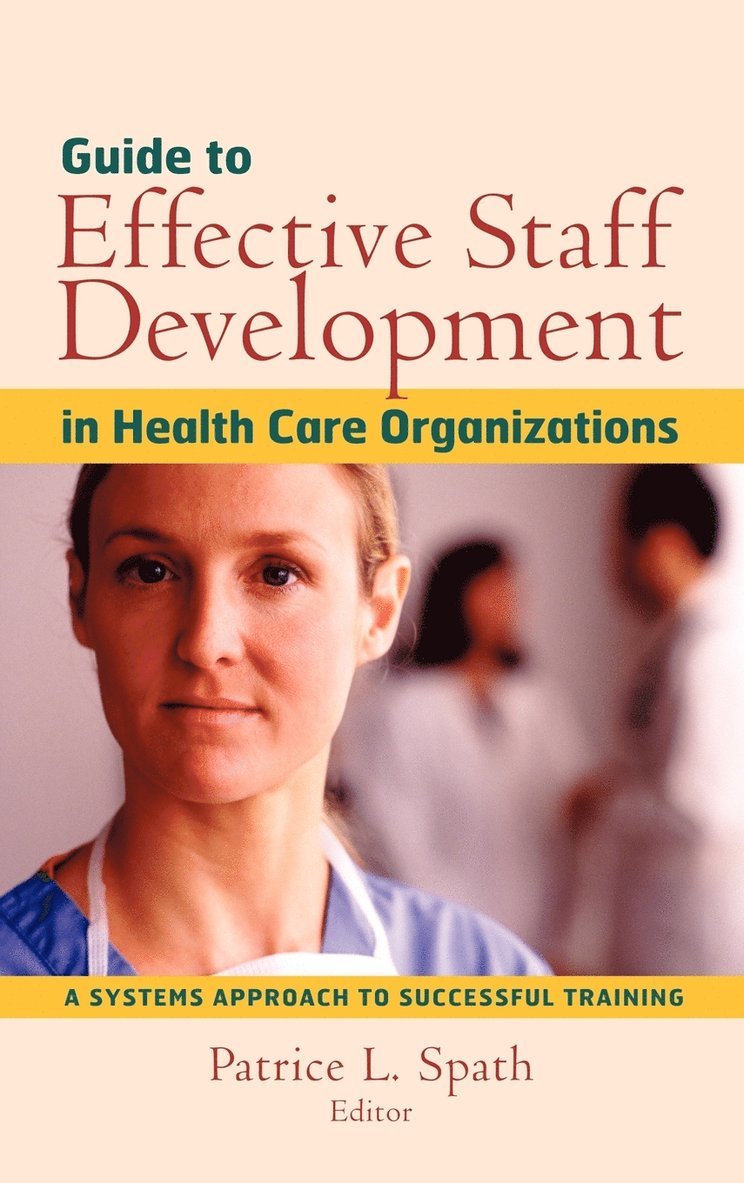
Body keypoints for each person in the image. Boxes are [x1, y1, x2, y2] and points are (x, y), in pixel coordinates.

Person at [0, 464, 548, 976]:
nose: (206, 642)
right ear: (80, 597)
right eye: (151, 571)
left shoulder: (494, 977)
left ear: (379, 612)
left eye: (277, 574)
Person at [331, 539, 587, 952]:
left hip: (533, 931)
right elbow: (393, 830)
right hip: (435, 931)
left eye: (512, 592)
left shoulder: (535, 699)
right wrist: (448, 928)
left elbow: (569, 800)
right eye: (492, 591)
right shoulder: (404, 706)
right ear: (456, 597)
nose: (507, 606)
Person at [559, 465, 744, 973]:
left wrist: (606, 804)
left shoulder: (715, 649)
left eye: (621, 545)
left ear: (662, 544)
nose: (613, 563)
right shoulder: (672, 638)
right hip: (658, 921)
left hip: (697, 932)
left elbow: (701, 807)